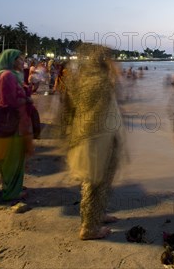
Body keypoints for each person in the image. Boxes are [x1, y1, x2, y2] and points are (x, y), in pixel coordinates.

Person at [63, 45, 124, 240]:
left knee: (100, 181)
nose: (114, 62)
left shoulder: (85, 79)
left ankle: (97, 214)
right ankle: (89, 227)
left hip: (97, 138)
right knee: (94, 182)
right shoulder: (101, 81)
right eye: (110, 59)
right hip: (96, 140)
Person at [0, 49, 34, 202]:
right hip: (11, 125)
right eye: (20, 59)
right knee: (12, 159)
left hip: (8, 123)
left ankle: (12, 187)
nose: (23, 63)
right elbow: (9, 102)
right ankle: (11, 192)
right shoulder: (7, 76)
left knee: (11, 158)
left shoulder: (4, 75)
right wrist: (26, 100)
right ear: (11, 61)